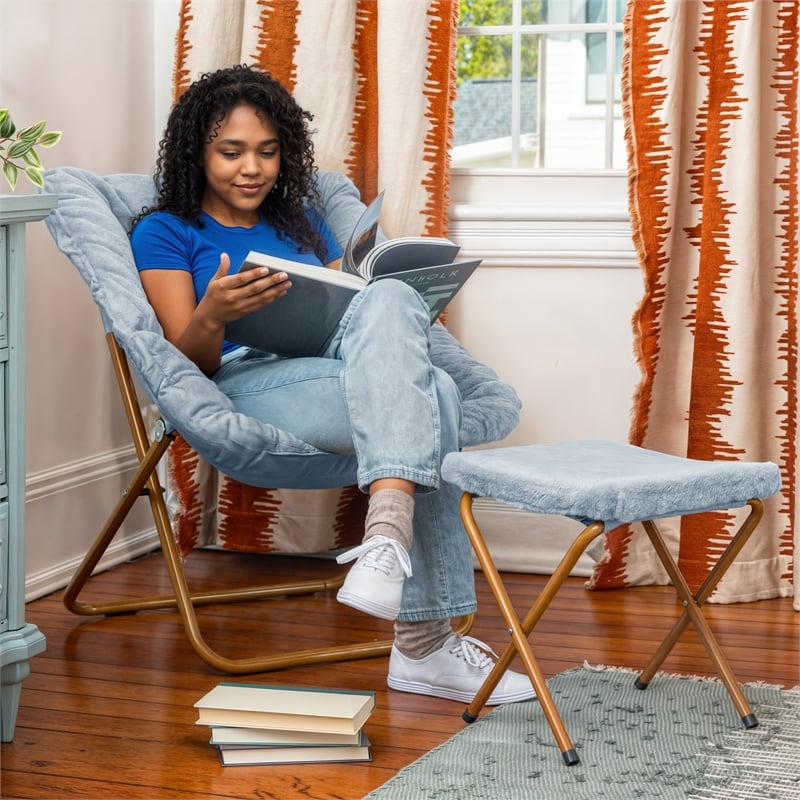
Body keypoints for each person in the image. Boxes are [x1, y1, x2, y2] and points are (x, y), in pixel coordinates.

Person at [130, 64, 534, 705]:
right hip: (245, 378)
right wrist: (215, 313)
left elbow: (344, 312)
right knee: (441, 398)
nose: (252, 168)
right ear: (196, 153)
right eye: (231, 152)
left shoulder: (301, 224)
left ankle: (385, 540)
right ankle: (425, 642)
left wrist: (380, 295)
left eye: (267, 151)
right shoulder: (165, 230)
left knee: (390, 294)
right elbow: (188, 363)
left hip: (337, 366)